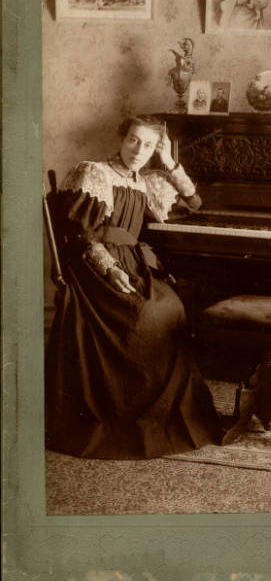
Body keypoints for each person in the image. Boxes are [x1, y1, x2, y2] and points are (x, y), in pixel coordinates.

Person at [45, 116, 223, 459]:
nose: (139, 150)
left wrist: (169, 161)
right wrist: (109, 269)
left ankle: (159, 407)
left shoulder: (146, 181)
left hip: (131, 260)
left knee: (170, 305)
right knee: (148, 312)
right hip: (93, 263)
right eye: (133, 140)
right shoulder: (95, 172)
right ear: (122, 138)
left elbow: (194, 202)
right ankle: (124, 407)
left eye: (149, 145)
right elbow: (83, 234)